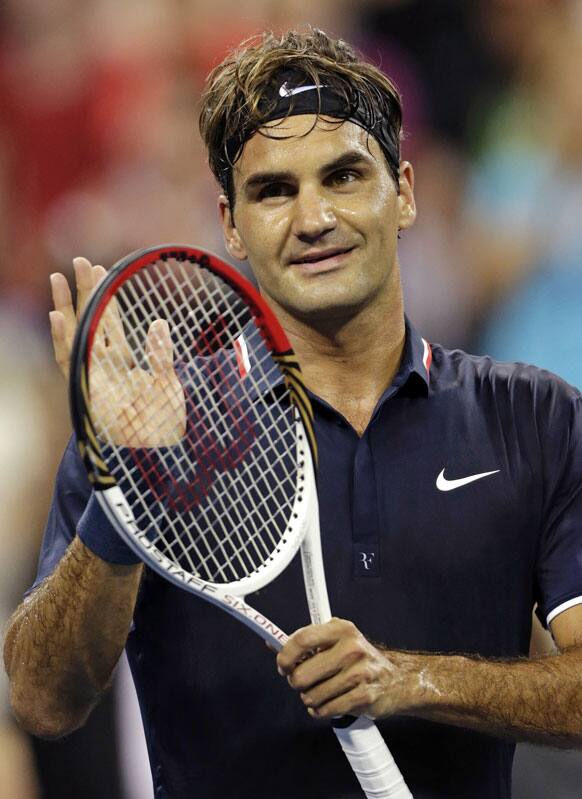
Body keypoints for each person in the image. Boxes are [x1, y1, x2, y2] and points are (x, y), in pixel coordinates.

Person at [4, 28, 582, 799]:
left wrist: (413, 679)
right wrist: (125, 503)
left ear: (404, 192)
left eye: (344, 175)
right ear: (231, 223)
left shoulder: (534, 415)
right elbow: (43, 699)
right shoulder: (150, 427)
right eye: (274, 190)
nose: (313, 218)